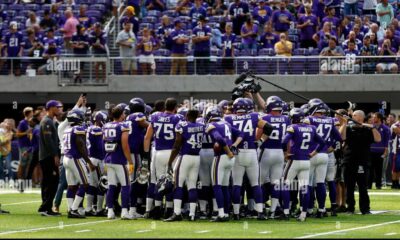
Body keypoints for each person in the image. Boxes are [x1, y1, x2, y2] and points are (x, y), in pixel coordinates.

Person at [225, 98, 272, 221]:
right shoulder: (253, 116)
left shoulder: (228, 118)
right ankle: (260, 212)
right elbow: (269, 128)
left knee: (236, 184)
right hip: (251, 152)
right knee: (255, 184)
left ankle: (236, 213)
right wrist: (260, 141)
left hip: (237, 153)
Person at [281, 108, 325, 222]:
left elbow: (284, 141)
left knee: (284, 185)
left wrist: (286, 153)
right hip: (306, 160)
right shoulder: (312, 128)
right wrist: (313, 153)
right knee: (304, 188)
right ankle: (303, 214)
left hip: (295, 160)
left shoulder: (293, 127)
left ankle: (286, 212)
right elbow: (322, 142)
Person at [143, 98, 181, 219]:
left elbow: (147, 137)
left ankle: (157, 208)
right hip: (172, 153)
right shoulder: (177, 118)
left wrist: (146, 154)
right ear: (175, 108)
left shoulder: (155, 117)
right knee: (171, 182)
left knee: (160, 182)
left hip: (158, 152)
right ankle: (169, 208)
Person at [338, 110, 381, 215]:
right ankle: (350, 208)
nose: (352, 116)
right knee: (350, 186)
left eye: (353, 115)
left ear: (360, 117)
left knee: (363, 187)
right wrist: (344, 123)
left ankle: (365, 209)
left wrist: (372, 127)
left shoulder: (368, 129)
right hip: (349, 161)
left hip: (363, 161)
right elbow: (341, 137)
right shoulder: (348, 128)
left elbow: (378, 139)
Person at [164, 109, 204, 221]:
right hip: (196, 157)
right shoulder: (201, 125)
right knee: (192, 186)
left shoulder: (182, 125)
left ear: (186, 115)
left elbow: (177, 144)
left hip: (185, 157)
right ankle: (192, 214)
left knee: (178, 185)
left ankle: (177, 213)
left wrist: (170, 161)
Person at [204, 106, 242, 222]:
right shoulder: (227, 124)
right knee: (225, 187)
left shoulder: (211, 125)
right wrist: (234, 145)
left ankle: (221, 214)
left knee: (217, 186)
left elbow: (219, 138)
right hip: (230, 159)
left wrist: (228, 150)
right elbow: (241, 133)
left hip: (221, 156)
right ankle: (225, 213)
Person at [104, 104, 135, 220]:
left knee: (111, 185)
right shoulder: (123, 126)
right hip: (119, 160)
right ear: (121, 114)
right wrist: (130, 161)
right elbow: (125, 145)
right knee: (126, 185)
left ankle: (110, 211)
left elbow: (105, 142)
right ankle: (124, 211)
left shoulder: (106, 125)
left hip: (108, 159)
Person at [63, 109, 95, 218]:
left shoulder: (68, 129)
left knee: (71, 186)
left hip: (66, 158)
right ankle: (74, 209)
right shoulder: (78, 129)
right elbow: (81, 146)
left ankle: (70, 209)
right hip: (74, 158)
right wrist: (89, 162)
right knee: (85, 184)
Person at [38, 100, 63, 217]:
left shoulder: (49, 121)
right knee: (52, 182)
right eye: (57, 107)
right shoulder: (47, 122)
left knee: (48, 182)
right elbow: (49, 141)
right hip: (48, 157)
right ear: (51, 108)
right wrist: (55, 156)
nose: (59, 109)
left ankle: (45, 207)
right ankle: (46, 208)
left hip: (47, 156)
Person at [368, 112, 390, 190]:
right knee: (370, 169)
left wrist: (385, 151)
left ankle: (378, 185)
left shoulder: (385, 128)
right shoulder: (370, 127)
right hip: (370, 151)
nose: (373, 119)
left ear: (379, 119)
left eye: (374, 117)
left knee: (379, 169)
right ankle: (369, 185)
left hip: (380, 152)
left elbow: (387, 141)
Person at [16, 107, 34, 193]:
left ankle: (24, 184)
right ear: (28, 113)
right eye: (32, 112)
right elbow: (17, 134)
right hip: (23, 146)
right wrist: (26, 133)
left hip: (30, 146)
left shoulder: (29, 123)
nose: (33, 113)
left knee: (27, 165)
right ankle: (20, 184)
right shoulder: (22, 122)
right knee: (22, 165)